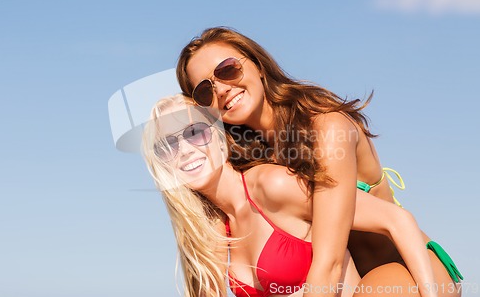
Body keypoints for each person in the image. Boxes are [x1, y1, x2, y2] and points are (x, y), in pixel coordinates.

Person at [175, 27, 462, 296]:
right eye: (204, 91)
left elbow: (329, 262)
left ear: (258, 66)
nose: (221, 89)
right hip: (353, 283)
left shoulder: (327, 127)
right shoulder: (243, 164)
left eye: (227, 70)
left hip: (411, 269)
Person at [143, 94, 441, 297]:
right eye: (167, 144)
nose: (184, 150)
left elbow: (397, 218)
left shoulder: (272, 185)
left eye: (194, 132)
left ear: (220, 138)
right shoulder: (211, 232)